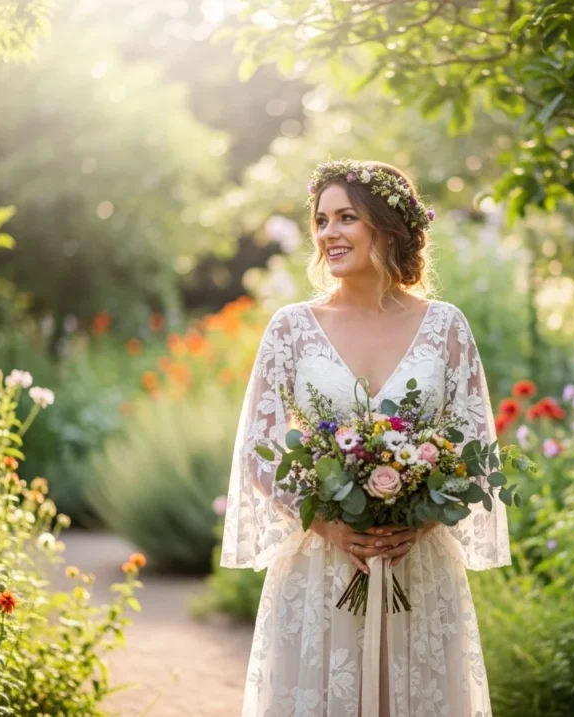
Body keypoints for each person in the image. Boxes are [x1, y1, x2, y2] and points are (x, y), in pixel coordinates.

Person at [220, 159, 510, 717]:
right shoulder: (291, 328)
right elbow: (259, 452)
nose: (328, 233)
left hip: (418, 567)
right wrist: (329, 525)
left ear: (386, 227)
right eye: (322, 220)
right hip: (320, 566)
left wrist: (417, 521)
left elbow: (476, 451)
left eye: (346, 217)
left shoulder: (446, 326)